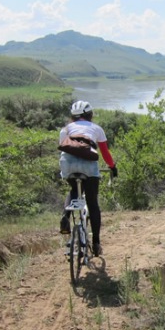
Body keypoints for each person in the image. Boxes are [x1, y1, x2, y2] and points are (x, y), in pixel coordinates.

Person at [59, 100, 118, 257]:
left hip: (67, 163)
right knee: (92, 203)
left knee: (73, 190)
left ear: (73, 116)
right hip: (88, 164)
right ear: (90, 115)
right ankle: (96, 243)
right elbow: (105, 153)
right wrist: (112, 167)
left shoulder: (66, 129)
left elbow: (63, 147)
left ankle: (65, 216)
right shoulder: (96, 129)